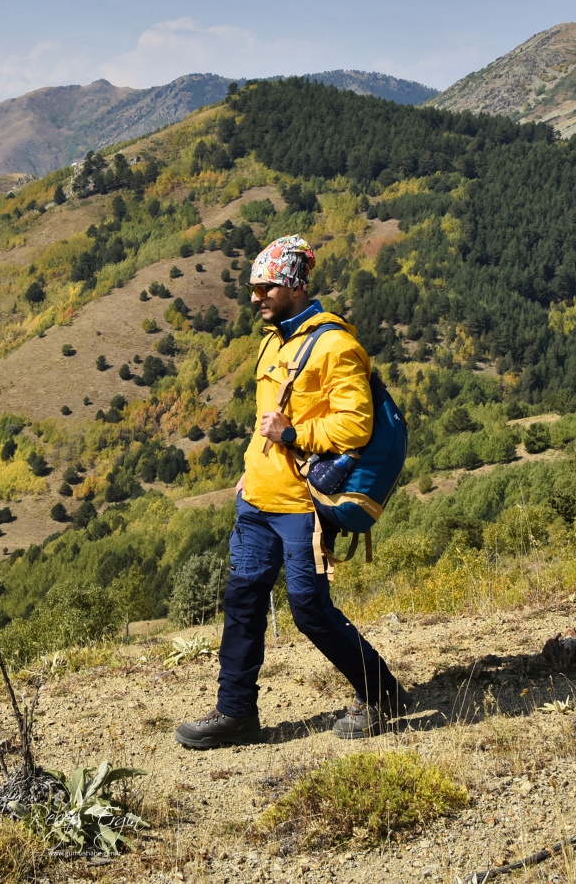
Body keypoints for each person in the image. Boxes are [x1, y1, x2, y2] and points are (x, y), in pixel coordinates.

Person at [176, 235, 411, 748]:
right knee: (243, 603)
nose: (255, 297)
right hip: (257, 498)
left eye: (265, 288)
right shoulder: (271, 339)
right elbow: (265, 416)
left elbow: (355, 428)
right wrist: (251, 467)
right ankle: (236, 713)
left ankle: (384, 694)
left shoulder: (336, 345)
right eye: (253, 288)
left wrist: (290, 436)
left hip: (303, 507)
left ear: (294, 287)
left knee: (309, 610)